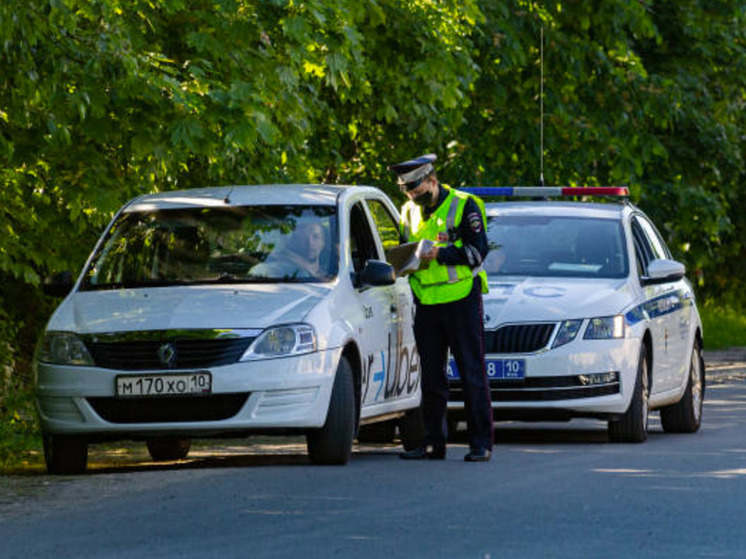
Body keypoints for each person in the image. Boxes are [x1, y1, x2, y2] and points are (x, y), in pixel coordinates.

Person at [389, 153, 494, 462]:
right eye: (408, 192)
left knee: (472, 373)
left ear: (431, 181)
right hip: (426, 303)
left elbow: (478, 252)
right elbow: (404, 252)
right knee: (431, 378)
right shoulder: (408, 211)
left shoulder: (464, 205)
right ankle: (433, 443)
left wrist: (440, 254)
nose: (413, 198)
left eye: (418, 192)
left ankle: (480, 443)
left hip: (461, 299)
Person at [252, 219, 328, 279]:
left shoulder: (334, 274)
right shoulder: (275, 270)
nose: (310, 243)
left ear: (323, 242)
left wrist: (306, 267)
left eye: (316, 237)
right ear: (295, 243)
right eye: (303, 238)